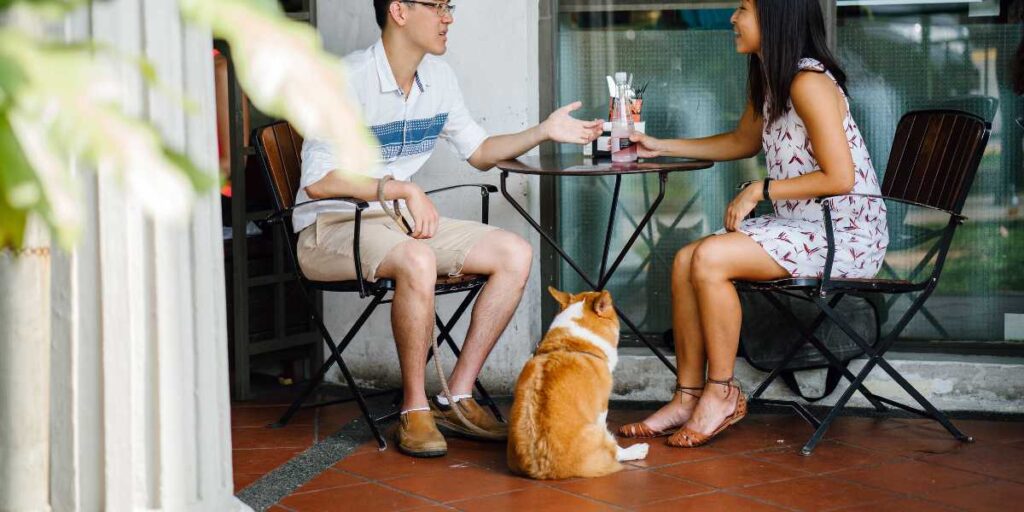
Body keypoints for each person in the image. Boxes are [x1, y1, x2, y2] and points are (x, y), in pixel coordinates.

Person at [295, 0, 603, 458]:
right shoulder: (345, 79)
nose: (448, 17)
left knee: (513, 252)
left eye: (449, 6)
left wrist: (543, 131)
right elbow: (319, 182)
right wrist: (400, 188)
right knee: (417, 257)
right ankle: (414, 408)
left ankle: (454, 397)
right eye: (437, 5)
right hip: (332, 226)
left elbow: (479, 150)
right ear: (398, 10)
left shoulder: (438, 80)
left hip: (395, 223)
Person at [618, 0, 888, 447]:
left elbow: (840, 177)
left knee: (708, 258)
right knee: (686, 258)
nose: (732, 18)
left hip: (846, 234)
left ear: (775, 18)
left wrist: (759, 190)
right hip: (804, 225)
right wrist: (658, 145)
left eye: (743, 8)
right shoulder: (773, 79)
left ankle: (721, 394)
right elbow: (743, 141)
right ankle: (686, 397)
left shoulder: (808, 83)